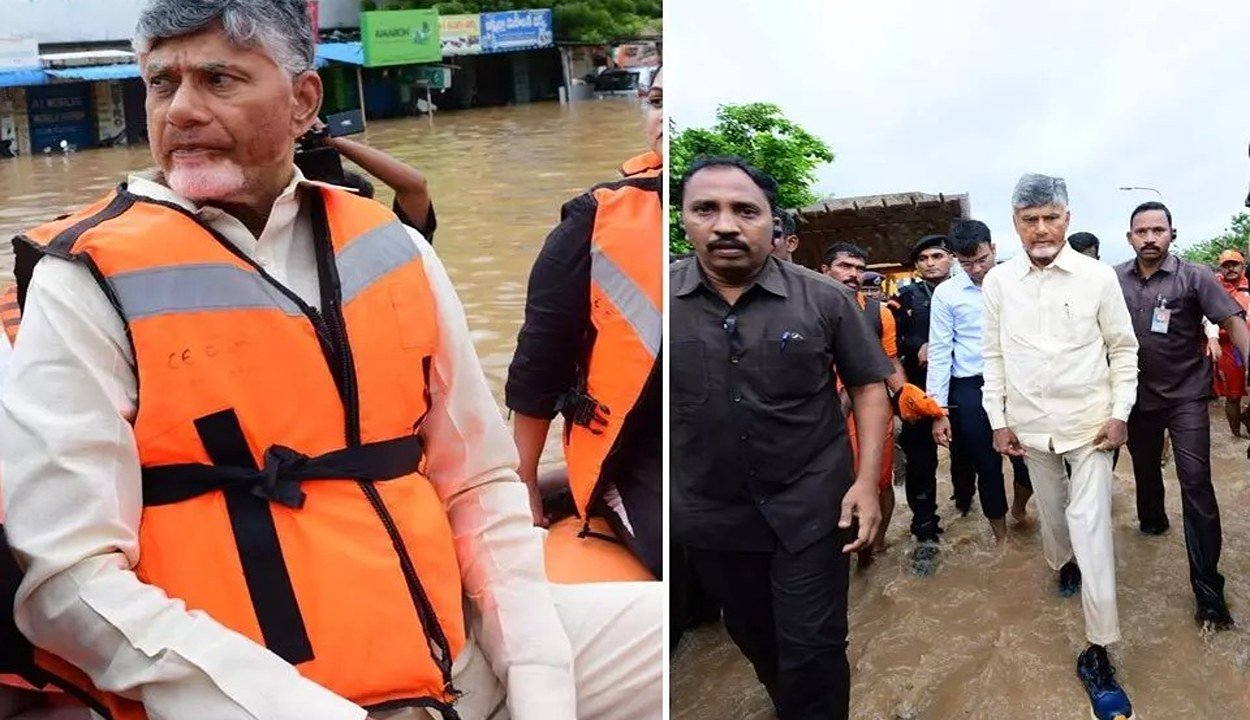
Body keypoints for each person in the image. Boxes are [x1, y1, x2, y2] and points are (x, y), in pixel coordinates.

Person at [0, 3, 661, 719]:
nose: (182, 110)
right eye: (162, 84)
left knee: (655, 643)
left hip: (449, 654)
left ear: (304, 100)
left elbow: (477, 485)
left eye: (218, 79)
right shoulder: (84, 279)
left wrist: (538, 683)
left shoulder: (393, 246)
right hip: (247, 694)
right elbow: (67, 577)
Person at [671, 155, 891, 720]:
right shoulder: (655, 299)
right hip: (711, 513)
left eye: (745, 210)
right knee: (755, 637)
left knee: (815, 646)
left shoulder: (824, 298)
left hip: (812, 505)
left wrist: (866, 483)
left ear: (774, 224)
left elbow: (870, 388)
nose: (725, 224)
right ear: (684, 218)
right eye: (706, 209)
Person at [983, 173, 1138, 720]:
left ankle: (1098, 651)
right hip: (1031, 428)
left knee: (1090, 522)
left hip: (1091, 427)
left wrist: (1120, 415)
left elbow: (1123, 350)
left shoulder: (1098, 278)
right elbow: (994, 357)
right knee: (1054, 517)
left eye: (1051, 217)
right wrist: (998, 420)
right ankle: (1061, 562)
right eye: (1030, 221)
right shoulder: (999, 283)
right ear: (1016, 225)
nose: (1042, 229)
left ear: (1067, 219)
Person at [506, 70, 663, 580]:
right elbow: (540, 360)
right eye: (658, 100)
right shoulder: (595, 218)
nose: (666, 114)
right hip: (635, 451)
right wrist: (523, 480)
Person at [1115, 202, 1250, 630]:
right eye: (1142, 231)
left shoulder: (1195, 276)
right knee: (1145, 470)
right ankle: (1152, 521)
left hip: (1188, 397)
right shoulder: (1112, 280)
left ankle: (1209, 592)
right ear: (1129, 237)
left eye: (1158, 230)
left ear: (1172, 233)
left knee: (1196, 485)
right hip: (1135, 399)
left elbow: (1231, 321)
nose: (1150, 238)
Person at [928, 220, 1032, 543]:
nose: (975, 269)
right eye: (966, 262)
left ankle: (1019, 508)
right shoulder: (947, 294)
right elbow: (941, 352)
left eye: (982, 259)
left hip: (1017, 382)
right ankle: (1001, 539)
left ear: (994, 249)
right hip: (970, 387)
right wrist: (938, 410)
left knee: (1027, 457)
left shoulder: (1020, 282)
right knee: (985, 464)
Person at [889, 234, 975, 574]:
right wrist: (918, 346)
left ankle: (965, 502)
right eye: (922, 258)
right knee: (920, 462)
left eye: (936, 256)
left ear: (951, 258)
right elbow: (891, 340)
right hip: (918, 393)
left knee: (964, 453)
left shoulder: (969, 293)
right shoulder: (905, 298)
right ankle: (925, 532)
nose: (929, 263)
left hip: (958, 390)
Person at [821, 242, 905, 567]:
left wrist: (907, 399)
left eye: (858, 268)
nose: (853, 275)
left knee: (879, 480)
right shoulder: (804, 307)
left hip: (867, 410)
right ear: (824, 270)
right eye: (844, 266)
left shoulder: (879, 313)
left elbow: (891, 361)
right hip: (819, 412)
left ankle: (874, 547)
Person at [1211, 249, 1250, 437]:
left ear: (1242, 265)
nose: (1231, 268)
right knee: (1233, 396)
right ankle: (1236, 436)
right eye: (1226, 265)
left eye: (1234, 264)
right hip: (1228, 350)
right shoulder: (1213, 289)